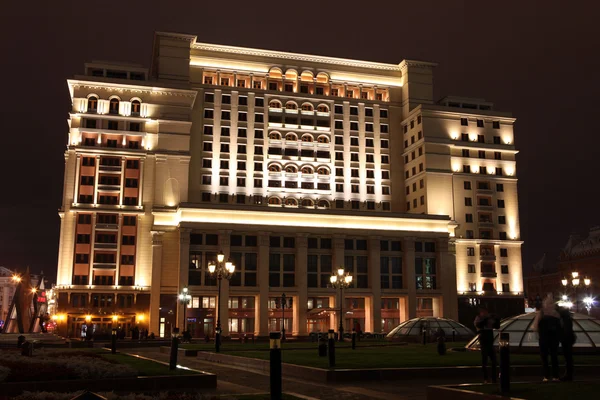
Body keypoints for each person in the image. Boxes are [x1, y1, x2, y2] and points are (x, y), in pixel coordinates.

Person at [534, 295, 561, 382]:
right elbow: (560, 327)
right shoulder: (556, 314)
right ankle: (555, 376)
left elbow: (535, 326)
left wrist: (539, 334)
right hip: (554, 339)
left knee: (544, 358)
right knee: (554, 357)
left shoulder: (541, 313)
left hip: (544, 338)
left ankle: (546, 376)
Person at [474, 307, 500, 383]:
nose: (485, 313)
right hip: (483, 341)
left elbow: (496, 326)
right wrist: (486, 319)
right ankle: (486, 378)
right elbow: (479, 325)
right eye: (483, 312)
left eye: (486, 312)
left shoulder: (489, 319)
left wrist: (496, 319)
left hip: (490, 341)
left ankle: (494, 378)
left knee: (494, 361)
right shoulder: (478, 319)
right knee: (484, 360)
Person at [557, 305, 576, 381]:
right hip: (568, 339)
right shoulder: (567, 318)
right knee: (568, 357)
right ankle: (568, 374)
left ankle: (569, 375)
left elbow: (566, 330)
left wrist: (561, 337)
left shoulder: (565, 319)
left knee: (568, 357)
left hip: (567, 340)